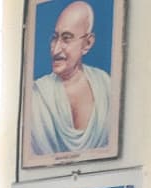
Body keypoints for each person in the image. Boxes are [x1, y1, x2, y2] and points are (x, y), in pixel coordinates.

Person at [27, 1, 113, 156]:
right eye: (55, 38)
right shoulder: (37, 94)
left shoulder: (104, 83)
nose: (55, 49)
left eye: (66, 38)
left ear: (87, 43)